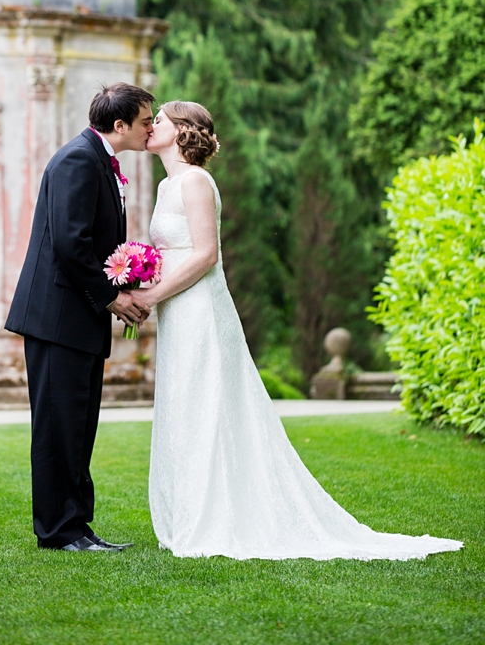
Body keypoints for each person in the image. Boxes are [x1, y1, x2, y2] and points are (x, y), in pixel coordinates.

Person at [137, 100, 464, 561]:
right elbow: (173, 251)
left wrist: (150, 297)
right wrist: (141, 277)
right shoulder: (166, 185)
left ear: (183, 131)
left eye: (161, 121)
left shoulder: (194, 181)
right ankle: (188, 514)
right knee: (182, 404)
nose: (151, 127)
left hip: (200, 312)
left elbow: (206, 255)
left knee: (205, 403)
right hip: (176, 309)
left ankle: (213, 517)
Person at [5, 82, 154, 552]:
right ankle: (57, 531)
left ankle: (77, 526)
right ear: (120, 125)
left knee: (78, 425)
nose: (151, 128)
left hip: (77, 318)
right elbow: (71, 243)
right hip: (57, 318)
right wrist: (112, 297)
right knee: (57, 427)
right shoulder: (78, 159)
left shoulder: (98, 159)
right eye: (146, 121)